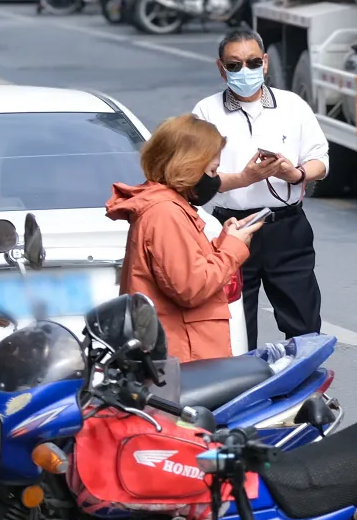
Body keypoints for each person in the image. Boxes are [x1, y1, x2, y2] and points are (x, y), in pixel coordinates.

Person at [191, 27, 329, 348]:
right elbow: (198, 179)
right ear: (221, 68)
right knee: (236, 329)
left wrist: (293, 173)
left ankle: (305, 394)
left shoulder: (292, 105)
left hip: (287, 229)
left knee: (305, 327)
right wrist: (244, 178)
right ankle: (245, 394)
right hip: (233, 230)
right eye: (235, 65)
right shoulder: (206, 112)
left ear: (265, 63)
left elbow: (320, 161)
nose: (245, 71)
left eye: (253, 63)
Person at [106, 114, 264, 362]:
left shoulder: (168, 207)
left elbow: (183, 267)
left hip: (185, 351)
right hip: (184, 358)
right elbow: (191, 287)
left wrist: (224, 242)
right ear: (189, 165)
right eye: (212, 170)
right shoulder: (165, 213)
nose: (215, 178)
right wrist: (233, 249)